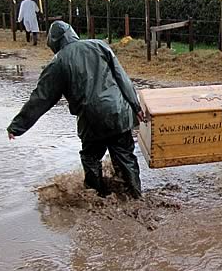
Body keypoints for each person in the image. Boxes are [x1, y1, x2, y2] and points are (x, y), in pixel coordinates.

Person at [7, 21, 145, 198]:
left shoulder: (58, 63)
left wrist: (17, 126)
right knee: (126, 157)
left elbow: (41, 98)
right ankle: (135, 197)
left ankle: (97, 200)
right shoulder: (99, 45)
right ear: (72, 33)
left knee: (91, 158)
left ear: (53, 42)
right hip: (119, 113)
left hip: (91, 120)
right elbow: (122, 78)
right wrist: (136, 106)